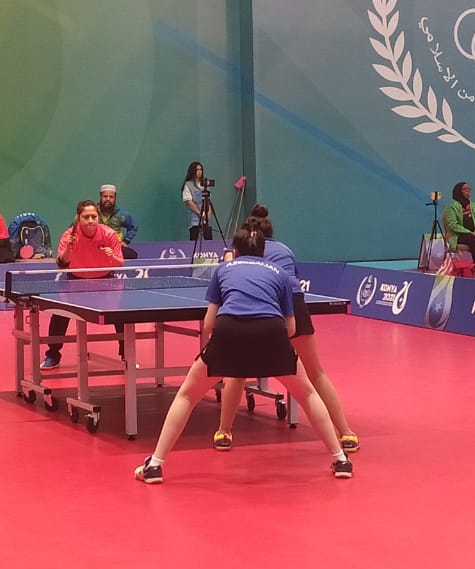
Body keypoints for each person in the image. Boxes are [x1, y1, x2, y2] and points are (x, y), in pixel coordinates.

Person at [133, 223, 352, 485]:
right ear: (263, 250)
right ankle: (341, 460)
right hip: (271, 331)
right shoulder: (280, 274)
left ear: (234, 251)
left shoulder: (223, 269)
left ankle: (155, 465)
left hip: (230, 330)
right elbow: (291, 328)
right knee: (306, 393)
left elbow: (209, 324)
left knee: (187, 395)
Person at [214, 206, 358, 455]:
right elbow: (294, 283)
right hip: (294, 305)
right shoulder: (285, 249)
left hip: (261, 306)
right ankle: (346, 432)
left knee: (236, 373)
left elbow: (230, 276)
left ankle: (224, 431)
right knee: (316, 372)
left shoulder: (239, 252)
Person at [41, 200, 125, 370]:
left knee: (120, 316)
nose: (90, 220)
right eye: (86, 217)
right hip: (75, 281)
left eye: (94, 216)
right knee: (59, 314)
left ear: (98, 217)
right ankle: (53, 355)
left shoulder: (109, 234)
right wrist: (69, 247)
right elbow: (62, 265)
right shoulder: (69, 235)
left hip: (105, 281)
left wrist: (112, 256)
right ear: (78, 218)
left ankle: (126, 355)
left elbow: (120, 263)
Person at [98, 183, 139, 259]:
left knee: (132, 255)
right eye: (105, 196)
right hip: (97, 247)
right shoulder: (93, 212)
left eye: (111, 197)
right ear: (100, 197)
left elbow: (133, 227)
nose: (108, 199)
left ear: (115, 198)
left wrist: (125, 241)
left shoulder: (121, 214)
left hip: (115, 248)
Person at [182, 161, 213, 242]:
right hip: (194, 218)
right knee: (194, 239)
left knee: (208, 239)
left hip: (205, 218)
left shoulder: (205, 184)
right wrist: (199, 213)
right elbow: (188, 201)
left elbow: (208, 201)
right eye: (197, 170)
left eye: (201, 169)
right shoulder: (188, 184)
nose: (199, 172)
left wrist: (208, 214)